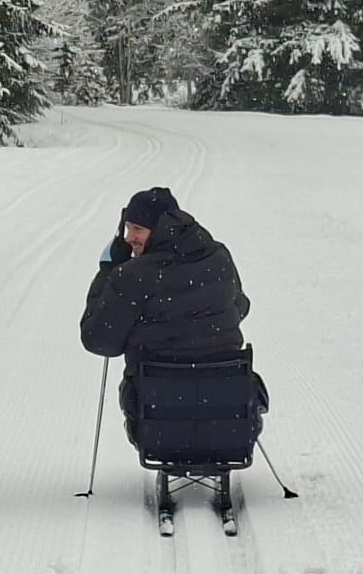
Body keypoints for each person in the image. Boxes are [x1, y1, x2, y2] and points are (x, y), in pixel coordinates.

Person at [79, 187, 257, 437]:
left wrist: (107, 272)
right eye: (127, 228)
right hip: (227, 410)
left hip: (157, 416)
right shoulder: (219, 257)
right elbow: (239, 307)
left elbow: (99, 340)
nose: (129, 238)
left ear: (160, 228)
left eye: (137, 229)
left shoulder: (132, 275)